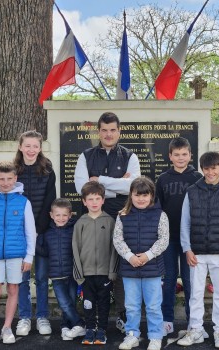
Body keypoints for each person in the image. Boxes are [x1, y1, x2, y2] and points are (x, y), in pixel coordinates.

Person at [74, 111, 141, 333]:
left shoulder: (130, 156)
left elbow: (132, 187)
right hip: (94, 219)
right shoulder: (86, 155)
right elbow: (83, 188)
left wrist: (100, 180)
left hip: (123, 216)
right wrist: (117, 185)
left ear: (119, 131)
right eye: (104, 130)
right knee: (95, 268)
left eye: (113, 130)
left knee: (121, 267)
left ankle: (123, 316)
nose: (108, 134)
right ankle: (90, 319)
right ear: (98, 131)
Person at [177, 152, 219, 349]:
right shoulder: (192, 191)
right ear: (202, 169)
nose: (210, 172)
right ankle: (196, 330)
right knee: (195, 294)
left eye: (214, 168)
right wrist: (187, 249)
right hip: (196, 253)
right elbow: (184, 223)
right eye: (207, 168)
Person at [0, 161, 36, 345]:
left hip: (16, 254)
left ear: (15, 179)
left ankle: (7, 327)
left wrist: (29, 256)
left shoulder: (23, 201)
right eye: (1, 179)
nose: (5, 183)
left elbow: (30, 231)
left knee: (13, 289)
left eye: (9, 179)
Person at [113, 177, 169, 350]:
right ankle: (132, 334)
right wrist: (130, 257)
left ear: (151, 196)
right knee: (131, 305)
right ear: (131, 195)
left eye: (145, 195)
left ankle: (155, 336)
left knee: (153, 306)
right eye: (137, 195)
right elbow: (118, 240)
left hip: (152, 269)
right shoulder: (122, 215)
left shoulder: (160, 215)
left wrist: (147, 255)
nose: (141, 199)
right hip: (130, 270)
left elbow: (164, 239)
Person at [156, 137, 202, 336]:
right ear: (170, 156)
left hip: (191, 241)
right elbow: (157, 207)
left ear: (190, 155)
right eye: (177, 155)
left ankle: (193, 321)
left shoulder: (198, 178)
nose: (181, 158)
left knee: (191, 281)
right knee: (169, 280)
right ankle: (167, 320)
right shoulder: (163, 179)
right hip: (168, 239)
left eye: (184, 154)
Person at [14, 130, 56, 336]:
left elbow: (50, 200)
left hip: (41, 232)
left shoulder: (47, 169)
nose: (31, 150)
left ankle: (42, 317)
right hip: (18, 234)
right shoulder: (13, 170)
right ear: (21, 146)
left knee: (40, 277)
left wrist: (38, 230)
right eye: (27, 145)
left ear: (40, 148)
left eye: (35, 146)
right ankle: (23, 317)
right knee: (21, 278)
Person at [71, 181, 118, 345]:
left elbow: (115, 249)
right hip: (87, 274)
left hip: (105, 273)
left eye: (97, 198)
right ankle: (90, 329)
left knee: (104, 303)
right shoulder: (80, 223)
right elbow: (75, 249)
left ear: (103, 200)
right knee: (88, 303)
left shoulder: (110, 221)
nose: (94, 202)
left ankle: (102, 331)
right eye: (90, 199)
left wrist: (112, 271)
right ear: (84, 201)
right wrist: (79, 274)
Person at [36, 198, 85, 341]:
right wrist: (34, 243)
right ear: (51, 215)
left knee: (71, 301)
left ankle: (66, 327)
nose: (61, 218)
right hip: (56, 275)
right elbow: (44, 252)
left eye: (65, 215)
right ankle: (80, 324)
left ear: (70, 215)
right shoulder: (47, 232)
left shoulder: (74, 229)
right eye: (58, 215)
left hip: (72, 273)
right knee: (63, 302)